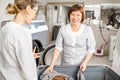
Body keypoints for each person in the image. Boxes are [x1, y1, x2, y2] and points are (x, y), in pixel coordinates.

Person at [46, 4, 96, 72]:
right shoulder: (63, 29)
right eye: (73, 14)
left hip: (80, 66)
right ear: (69, 16)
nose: (75, 18)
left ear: (82, 17)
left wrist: (85, 63)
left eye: (78, 15)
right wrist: (52, 64)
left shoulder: (87, 30)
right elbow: (58, 48)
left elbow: (91, 49)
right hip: (65, 65)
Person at [0, 0, 39, 80]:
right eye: (35, 12)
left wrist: (29, 56)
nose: (34, 16)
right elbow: (29, 73)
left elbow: (9, 57)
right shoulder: (22, 33)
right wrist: (30, 60)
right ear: (28, 9)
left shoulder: (4, 29)